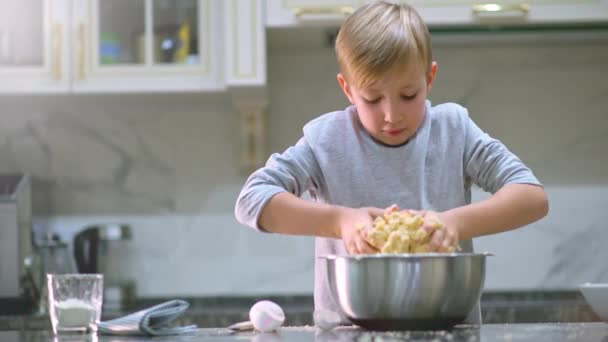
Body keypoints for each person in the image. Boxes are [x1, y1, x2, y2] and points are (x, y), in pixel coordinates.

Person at [234, 1, 549, 325]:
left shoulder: (454, 130)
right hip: (346, 331)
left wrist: (453, 224)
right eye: (372, 99)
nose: (391, 114)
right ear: (348, 89)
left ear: (430, 78)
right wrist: (341, 221)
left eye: (409, 95)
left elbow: (531, 197)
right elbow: (251, 199)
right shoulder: (325, 140)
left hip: (449, 327)